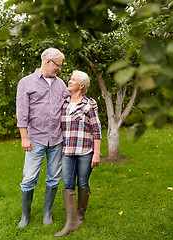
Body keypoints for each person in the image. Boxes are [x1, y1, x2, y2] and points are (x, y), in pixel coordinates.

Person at [16, 48, 71, 228]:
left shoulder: (60, 84)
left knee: (54, 177)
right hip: (36, 138)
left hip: (56, 138)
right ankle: (26, 216)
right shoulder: (26, 83)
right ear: (48, 62)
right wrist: (24, 137)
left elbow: (72, 101)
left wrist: (87, 101)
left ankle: (47, 213)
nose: (59, 69)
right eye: (58, 66)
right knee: (29, 178)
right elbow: (22, 113)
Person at [54, 70, 102, 237]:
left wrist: (96, 154)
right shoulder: (64, 103)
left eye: (73, 79)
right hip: (67, 151)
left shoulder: (89, 105)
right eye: (70, 79)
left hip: (85, 151)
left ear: (81, 86)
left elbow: (97, 131)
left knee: (82, 181)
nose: (69, 81)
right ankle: (70, 222)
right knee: (67, 183)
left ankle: (80, 215)